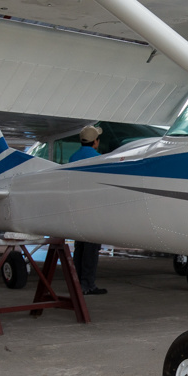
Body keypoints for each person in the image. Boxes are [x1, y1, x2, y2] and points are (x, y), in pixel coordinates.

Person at [69, 125, 106, 295]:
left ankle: (76, 283)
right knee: (91, 250)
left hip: (77, 210)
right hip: (92, 211)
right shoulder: (99, 159)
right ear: (95, 142)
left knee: (80, 248)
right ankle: (87, 285)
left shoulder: (72, 158)